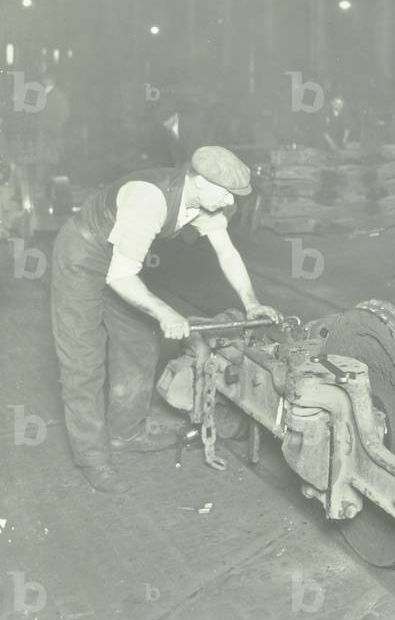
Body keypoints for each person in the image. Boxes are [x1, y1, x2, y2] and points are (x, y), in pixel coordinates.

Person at [50, 146, 283, 493]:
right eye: (227, 193)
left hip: (120, 262)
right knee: (83, 360)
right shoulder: (149, 199)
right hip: (82, 257)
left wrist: (252, 304)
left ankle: (125, 433)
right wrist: (165, 311)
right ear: (200, 181)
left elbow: (226, 251)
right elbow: (120, 276)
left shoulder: (204, 201)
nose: (230, 201)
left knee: (139, 341)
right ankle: (92, 457)